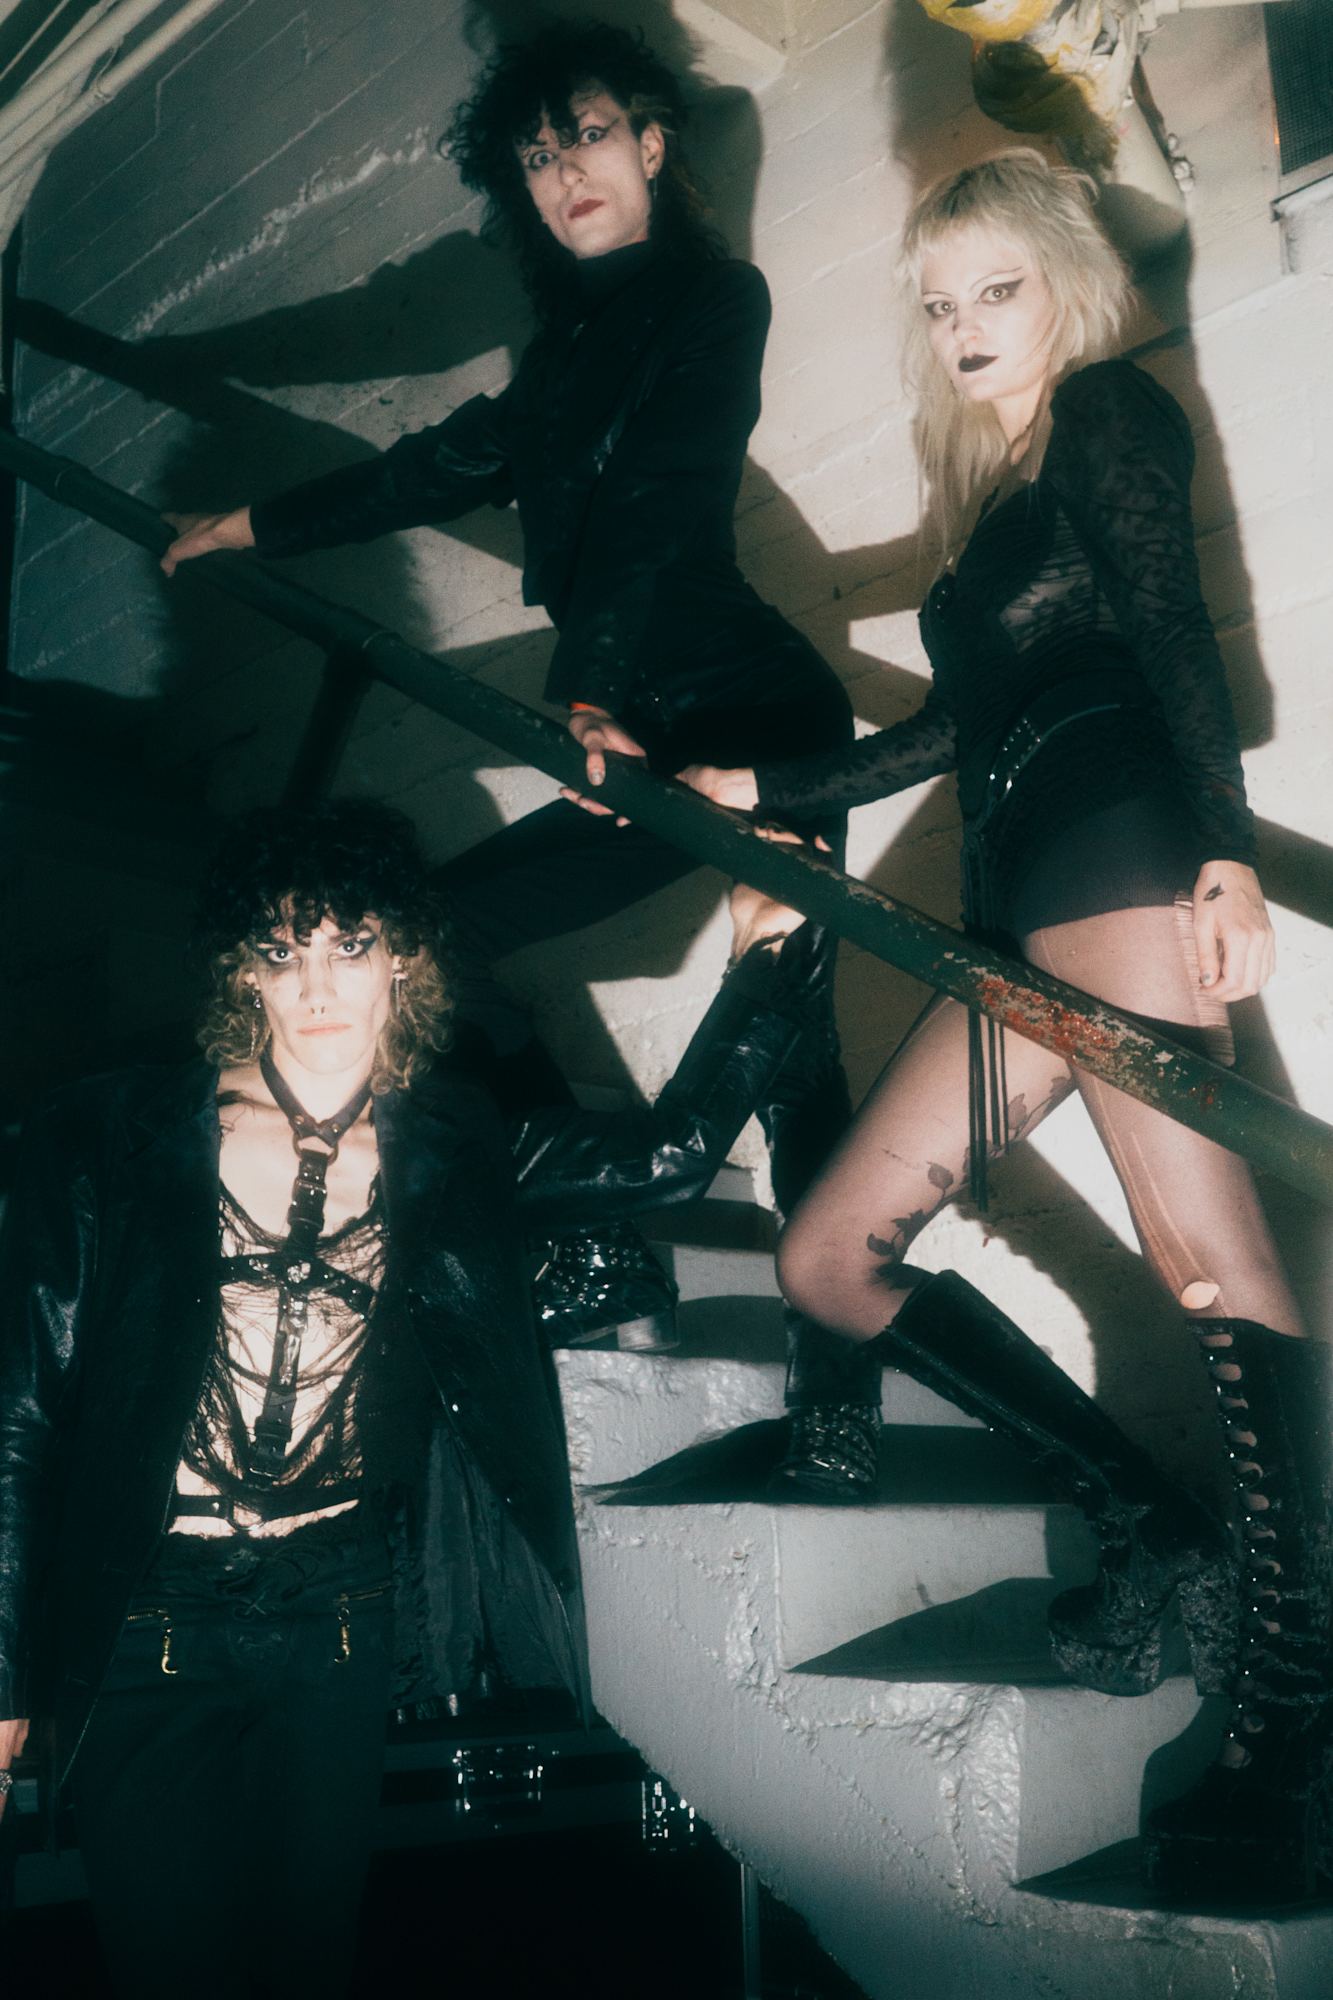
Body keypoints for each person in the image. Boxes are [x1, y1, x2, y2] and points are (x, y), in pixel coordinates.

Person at [677, 150, 1331, 1902]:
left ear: (1060, 283)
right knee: (827, 1256)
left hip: (1119, 852)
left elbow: (1173, 634)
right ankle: (1153, 1520)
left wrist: (1219, 852)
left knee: (1211, 1264)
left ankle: (1298, 1718)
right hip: (1012, 904)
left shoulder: (1107, 414)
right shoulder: (991, 499)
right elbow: (952, 732)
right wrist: (760, 788)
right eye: (937, 303)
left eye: (995, 289)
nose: (963, 328)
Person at [157, 20, 882, 1502]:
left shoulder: (712, 299)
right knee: (432, 937)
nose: (566, 174)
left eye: (591, 135)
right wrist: (243, 527)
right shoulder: (558, 360)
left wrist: (593, 694)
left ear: (653, 145)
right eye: (538, 156)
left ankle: (839, 1416)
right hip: (644, 717)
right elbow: (432, 463)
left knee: (798, 1060)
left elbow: (663, 501)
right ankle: (598, 1239)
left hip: (751, 715)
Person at [0, 796, 819, 1995]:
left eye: (349, 944)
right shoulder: (107, 1131)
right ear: (245, 971)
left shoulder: (454, 1142)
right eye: (283, 950)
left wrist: (762, 952)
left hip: (336, 1613)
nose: (316, 983)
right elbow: (20, 1410)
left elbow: (669, 1155)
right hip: (149, 1620)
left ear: (403, 959)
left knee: (307, 1964)